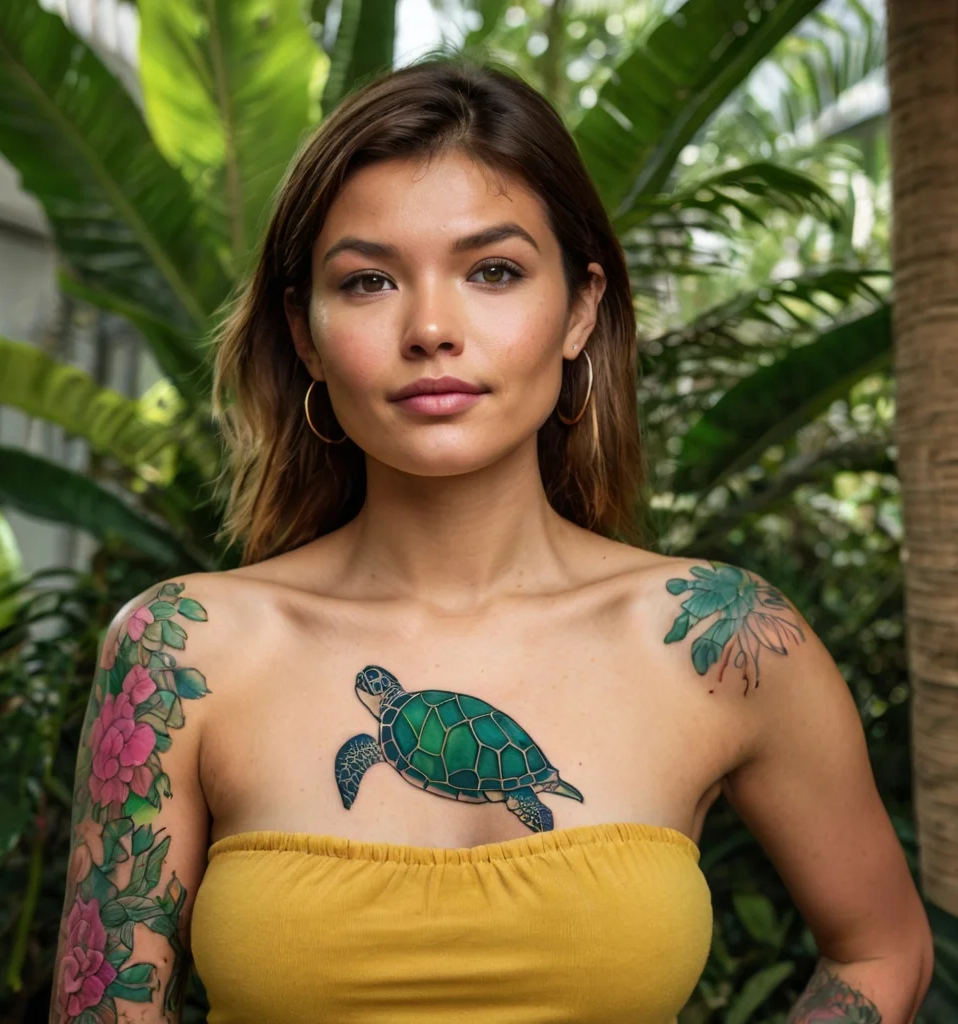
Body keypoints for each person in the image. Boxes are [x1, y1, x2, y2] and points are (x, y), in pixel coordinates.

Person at [49, 54, 932, 1024]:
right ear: (305, 332)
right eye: (369, 280)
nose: (431, 326)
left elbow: (880, 949)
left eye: (494, 270)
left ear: (580, 310)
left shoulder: (722, 639)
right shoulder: (184, 649)